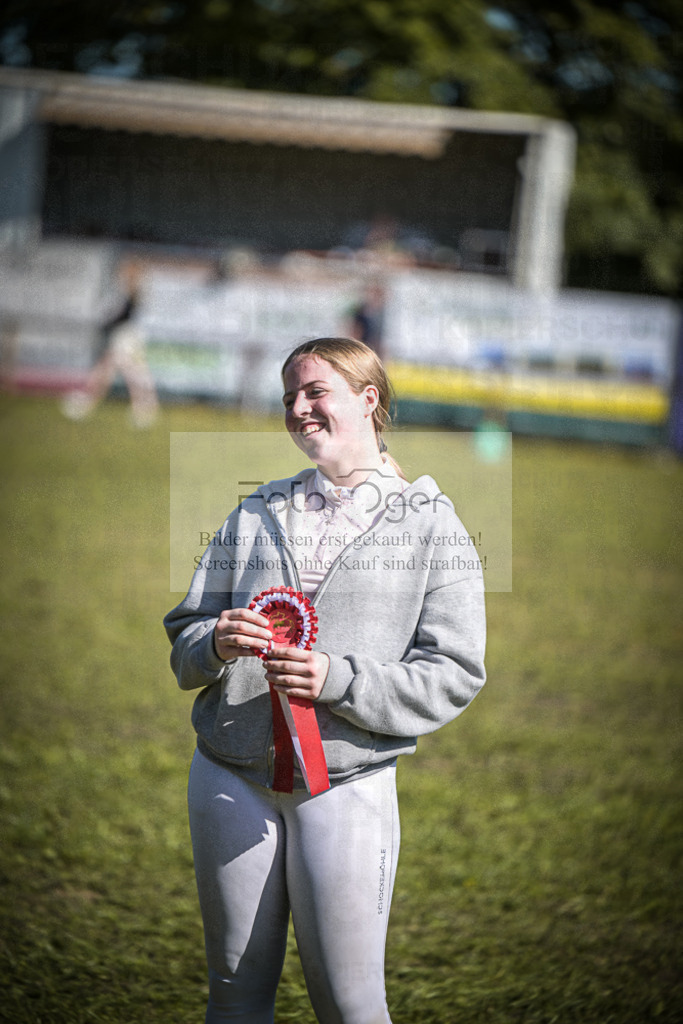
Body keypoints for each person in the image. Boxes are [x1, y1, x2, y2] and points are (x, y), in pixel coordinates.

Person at [164, 337, 486, 1024]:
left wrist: (335, 678)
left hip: (345, 784)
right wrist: (215, 641)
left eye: (315, 393)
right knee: (232, 991)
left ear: (369, 400)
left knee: (348, 1003)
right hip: (227, 775)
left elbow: (454, 671)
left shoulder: (434, 524)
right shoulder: (255, 510)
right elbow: (185, 634)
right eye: (289, 398)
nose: (299, 409)